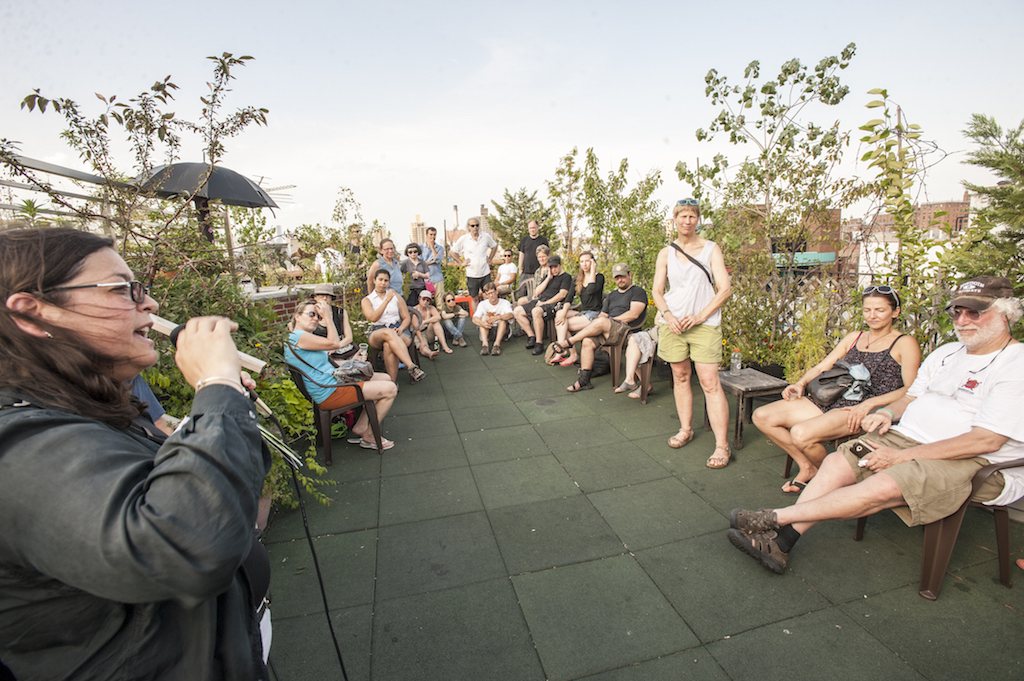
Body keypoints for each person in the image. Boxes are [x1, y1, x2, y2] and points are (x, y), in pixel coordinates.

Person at [0, 227, 271, 679]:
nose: (150, 305)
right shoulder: (17, 445)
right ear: (34, 312)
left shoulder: (93, 407)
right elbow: (185, 544)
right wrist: (217, 386)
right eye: (123, 290)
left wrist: (221, 407)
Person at [728, 276, 1024, 575]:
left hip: (971, 460)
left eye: (974, 312)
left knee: (881, 484)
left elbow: (986, 441)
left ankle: (775, 518)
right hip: (906, 436)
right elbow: (910, 396)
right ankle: (783, 543)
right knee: (835, 463)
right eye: (957, 311)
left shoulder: (1016, 365)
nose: (962, 320)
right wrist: (887, 413)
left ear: (1006, 314)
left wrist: (899, 455)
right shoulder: (946, 353)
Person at [753, 286, 921, 493]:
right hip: (833, 396)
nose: (872, 315)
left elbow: (912, 388)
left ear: (895, 312)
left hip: (863, 407)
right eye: (867, 310)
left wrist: (870, 404)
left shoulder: (904, 343)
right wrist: (800, 383)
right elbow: (823, 366)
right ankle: (809, 467)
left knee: (801, 434)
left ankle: (831, 478)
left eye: (880, 310)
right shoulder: (855, 337)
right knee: (762, 416)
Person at [653, 199, 732, 468]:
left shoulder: (711, 249)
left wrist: (700, 316)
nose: (687, 221)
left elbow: (725, 289)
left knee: (710, 382)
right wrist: (667, 315)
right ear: (674, 219)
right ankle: (686, 429)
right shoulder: (665, 253)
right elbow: (657, 291)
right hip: (673, 324)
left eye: (692, 216)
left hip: (705, 325)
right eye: (682, 216)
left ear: (698, 220)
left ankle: (722, 445)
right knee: (681, 376)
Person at [285, 298, 397, 450]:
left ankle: (361, 426)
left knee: (385, 377)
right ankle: (370, 436)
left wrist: (354, 363)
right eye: (311, 314)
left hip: (333, 382)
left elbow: (325, 364)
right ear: (297, 316)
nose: (315, 319)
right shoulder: (299, 336)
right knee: (390, 389)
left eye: (318, 316)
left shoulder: (302, 338)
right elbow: (335, 343)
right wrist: (328, 317)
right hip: (329, 391)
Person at [561, 263, 647, 392]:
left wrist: (609, 321)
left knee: (601, 322)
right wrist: (601, 321)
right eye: (617, 278)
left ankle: (570, 341)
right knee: (587, 341)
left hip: (626, 330)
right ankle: (584, 380)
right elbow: (603, 314)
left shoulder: (638, 291)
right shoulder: (612, 295)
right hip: (608, 330)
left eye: (623, 276)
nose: (620, 280)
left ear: (629, 275)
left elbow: (633, 314)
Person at [361, 269, 426, 383]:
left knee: (388, 345)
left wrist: (401, 328)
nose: (383, 283)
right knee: (388, 332)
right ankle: (411, 366)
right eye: (380, 280)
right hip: (378, 331)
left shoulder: (396, 297)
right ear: (374, 280)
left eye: (386, 280)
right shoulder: (367, 300)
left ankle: (392, 383)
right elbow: (373, 318)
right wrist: (386, 300)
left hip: (397, 329)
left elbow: (406, 318)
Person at [551, 251, 604, 366]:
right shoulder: (577, 279)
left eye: (587, 261)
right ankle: (565, 349)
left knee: (563, 324)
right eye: (582, 261)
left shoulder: (599, 277)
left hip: (594, 314)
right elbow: (568, 298)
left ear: (593, 262)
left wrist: (593, 271)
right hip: (583, 312)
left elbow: (590, 290)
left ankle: (565, 350)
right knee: (560, 315)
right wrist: (564, 312)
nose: (584, 264)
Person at [513, 254, 573, 356]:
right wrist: (548, 278)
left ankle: (539, 343)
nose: (553, 269)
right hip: (540, 300)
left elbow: (562, 295)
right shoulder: (548, 276)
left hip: (553, 304)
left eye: (555, 267)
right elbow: (537, 292)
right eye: (551, 267)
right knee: (517, 311)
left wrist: (545, 303)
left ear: (560, 265)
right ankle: (532, 336)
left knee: (535, 311)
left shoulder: (566, 277)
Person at [450, 217, 498, 306]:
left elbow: (494, 246)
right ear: (468, 227)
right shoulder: (464, 239)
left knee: (488, 296)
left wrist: (490, 258)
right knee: (474, 298)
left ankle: (489, 317)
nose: (475, 227)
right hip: (472, 274)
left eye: (477, 225)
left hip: (485, 272)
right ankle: (476, 318)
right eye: (472, 225)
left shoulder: (486, 236)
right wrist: (461, 262)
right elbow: (452, 252)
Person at [311, 282, 358, 360]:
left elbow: (349, 337)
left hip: (340, 349)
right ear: (315, 297)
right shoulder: (311, 313)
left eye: (328, 296)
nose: (325, 298)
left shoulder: (340, 312)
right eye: (321, 295)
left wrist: (335, 347)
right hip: (321, 352)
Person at [614, 324, 660, 400]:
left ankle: (638, 383)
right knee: (633, 339)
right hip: (657, 330)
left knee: (636, 345)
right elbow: (656, 320)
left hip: (669, 334)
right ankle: (630, 379)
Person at [474, 282, 515, 356]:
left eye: (492, 292)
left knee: (502, 320)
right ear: (486, 295)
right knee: (483, 318)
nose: (491, 295)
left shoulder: (505, 303)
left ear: (496, 292)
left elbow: (511, 315)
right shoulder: (482, 304)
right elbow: (474, 318)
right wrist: (483, 324)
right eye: (488, 294)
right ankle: (485, 345)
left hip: (503, 332)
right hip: (489, 330)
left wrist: (498, 317)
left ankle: (497, 345)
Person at [411, 288, 452, 356]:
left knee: (436, 323)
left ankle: (445, 346)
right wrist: (422, 341)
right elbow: (417, 328)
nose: (425, 302)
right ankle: (430, 354)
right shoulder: (414, 310)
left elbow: (438, 317)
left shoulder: (431, 308)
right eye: (423, 299)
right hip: (418, 334)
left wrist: (424, 322)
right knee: (423, 346)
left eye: (428, 300)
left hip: (428, 332)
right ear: (419, 299)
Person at [517, 219, 549, 298]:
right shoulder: (524, 240)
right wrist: (520, 268)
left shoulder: (543, 240)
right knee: (520, 293)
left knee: (536, 294)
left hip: (539, 272)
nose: (532, 230)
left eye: (534, 228)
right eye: (530, 228)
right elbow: (521, 254)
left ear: (537, 228)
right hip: (526, 271)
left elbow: (548, 254)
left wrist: (547, 268)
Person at [514, 244, 550, 308]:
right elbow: (534, 289)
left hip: (547, 296)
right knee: (520, 301)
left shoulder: (551, 269)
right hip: (537, 296)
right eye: (539, 257)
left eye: (543, 256)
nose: (541, 259)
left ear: (548, 256)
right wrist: (534, 295)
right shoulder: (538, 271)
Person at [420, 226, 446, 302]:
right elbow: (421, 263)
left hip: (437, 278)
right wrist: (432, 261)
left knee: (440, 302)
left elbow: (437, 260)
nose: (433, 237)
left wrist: (432, 248)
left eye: (434, 234)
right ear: (426, 235)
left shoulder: (439, 248)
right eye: (431, 234)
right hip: (425, 279)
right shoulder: (420, 248)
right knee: (426, 302)